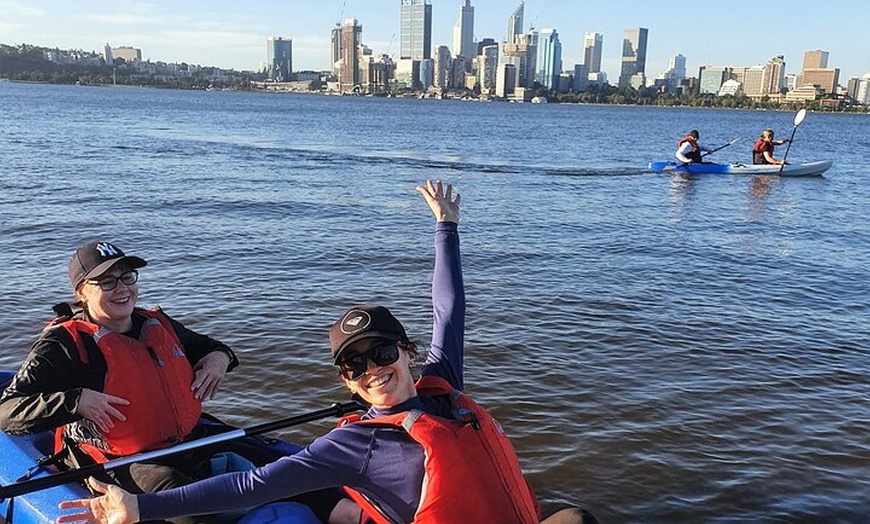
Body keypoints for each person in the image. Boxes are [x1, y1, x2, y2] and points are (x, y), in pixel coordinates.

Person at [57, 180, 598, 524]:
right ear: (346, 381)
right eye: (355, 365)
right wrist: (142, 507)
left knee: (575, 517)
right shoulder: (356, 443)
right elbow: (252, 482)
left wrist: (445, 227)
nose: (373, 370)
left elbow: (449, 308)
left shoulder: (444, 380)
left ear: (407, 352)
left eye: (382, 352)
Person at [0, 241, 344, 524]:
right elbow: (7, 411)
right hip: (118, 457)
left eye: (127, 277)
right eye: (107, 282)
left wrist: (220, 359)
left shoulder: (156, 324)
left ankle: (350, 512)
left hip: (185, 438)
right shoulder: (63, 345)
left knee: (281, 464)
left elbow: (211, 348)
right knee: (186, 508)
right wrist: (75, 400)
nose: (122, 289)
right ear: (82, 292)